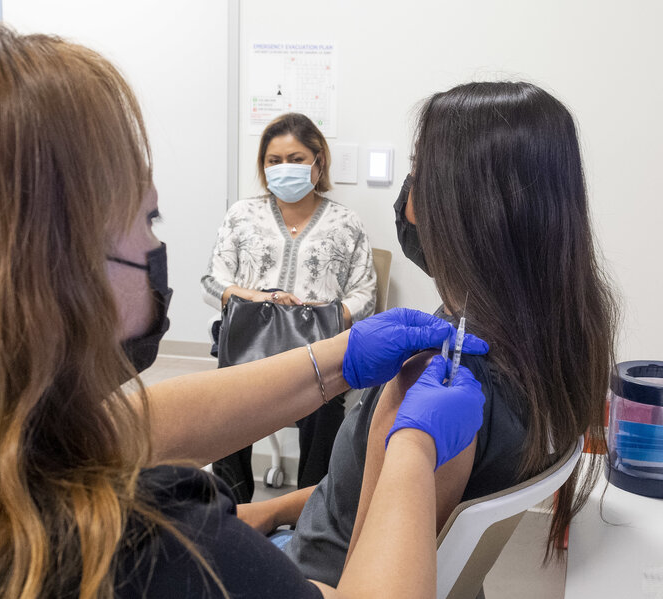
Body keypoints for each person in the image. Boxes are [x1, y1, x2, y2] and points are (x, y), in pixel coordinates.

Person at [0, 22, 492, 598]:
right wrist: (410, 456)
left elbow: (122, 426)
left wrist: (338, 356)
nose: (155, 248)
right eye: (147, 220)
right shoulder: (153, 553)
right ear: (57, 271)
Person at [240, 81, 618, 587]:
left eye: (417, 170)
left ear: (463, 206)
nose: (407, 196)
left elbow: (360, 580)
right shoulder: (555, 341)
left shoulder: (433, 379)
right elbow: (358, 494)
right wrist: (270, 510)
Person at [201, 112, 377, 501]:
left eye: (296, 159)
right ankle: (230, 509)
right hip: (250, 346)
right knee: (226, 406)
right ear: (263, 166)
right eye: (274, 160)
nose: (284, 167)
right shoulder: (241, 215)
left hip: (317, 350)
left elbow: (365, 293)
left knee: (324, 406)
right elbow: (212, 282)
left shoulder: (346, 222)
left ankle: (308, 511)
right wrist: (260, 299)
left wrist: (322, 315)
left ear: (319, 162)